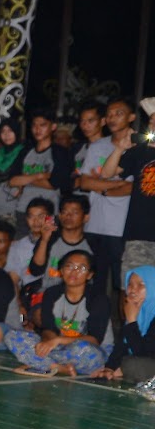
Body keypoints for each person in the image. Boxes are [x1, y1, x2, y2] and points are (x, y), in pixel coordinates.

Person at [1, 250, 109, 376]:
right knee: (12, 336)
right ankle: (59, 367)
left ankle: (42, 363)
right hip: (57, 348)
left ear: (90, 275)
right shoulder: (52, 293)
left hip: (89, 352)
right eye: (69, 266)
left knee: (83, 349)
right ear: (61, 271)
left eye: (81, 268)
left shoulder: (99, 299)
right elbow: (48, 328)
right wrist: (46, 344)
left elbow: (94, 339)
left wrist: (58, 341)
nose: (74, 272)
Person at [76, 99, 133, 293]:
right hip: (95, 226)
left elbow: (134, 187)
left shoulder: (138, 147)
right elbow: (84, 183)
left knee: (124, 286)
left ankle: (126, 324)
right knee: (94, 283)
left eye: (119, 113)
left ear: (132, 117)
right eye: (109, 114)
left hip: (123, 228)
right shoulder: (97, 146)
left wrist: (101, 186)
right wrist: (116, 184)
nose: (112, 118)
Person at [102, 99, 155, 274]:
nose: (153, 125)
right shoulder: (140, 151)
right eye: (151, 121)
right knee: (133, 289)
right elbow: (107, 173)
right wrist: (120, 149)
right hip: (138, 235)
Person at [93, 265, 155, 384]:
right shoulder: (138, 312)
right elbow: (122, 346)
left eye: (141, 285)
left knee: (132, 364)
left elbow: (144, 355)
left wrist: (132, 321)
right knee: (129, 364)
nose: (132, 290)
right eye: (130, 284)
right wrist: (109, 368)